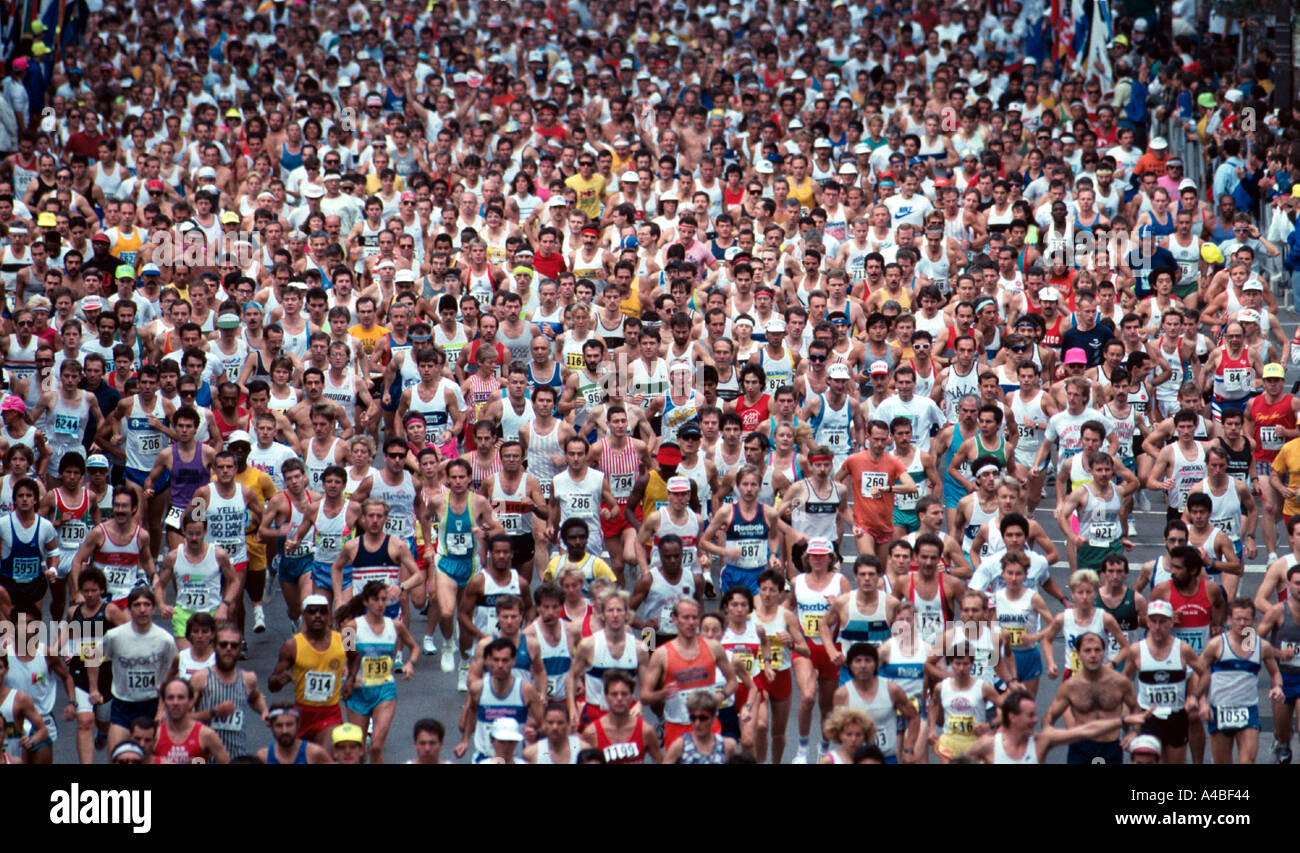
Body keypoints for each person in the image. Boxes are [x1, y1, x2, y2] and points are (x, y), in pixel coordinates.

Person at [1115, 598, 1209, 765]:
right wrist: (1128, 711)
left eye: (1162, 621)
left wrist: (1195, 696)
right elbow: (1124, 682)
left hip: (1176, 716)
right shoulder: (1137, 650)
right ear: (1148, 622)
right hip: (1148, 717)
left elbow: (1205, 673)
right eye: (1153, 621)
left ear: (1171, 622)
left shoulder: (1182, 649)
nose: (1157, 626)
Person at [336, 580, 418, 764]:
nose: (381, 604)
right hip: (358, 692)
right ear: (366, 602)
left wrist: (410, 663)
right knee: (359, 751)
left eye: (384, 599)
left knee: (376, 747)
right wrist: (347, 675)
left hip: (384, 690)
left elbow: (414, 647)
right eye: (376, 600)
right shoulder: (351, 627)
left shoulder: (395, 626)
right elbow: (342, 656)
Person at [1195, 598, 1286, 764]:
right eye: (1237, 619)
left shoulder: (1261, 646)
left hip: (1247, 711)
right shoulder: (1216, 645)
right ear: (1229, 619)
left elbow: (1275, 673)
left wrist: (1278, 687)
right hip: (1219, 710)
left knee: (1247, 761)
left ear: (1254, 620)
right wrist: (1202, 702)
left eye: (1246, 619)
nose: (1242, 623)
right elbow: (1199, 674)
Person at [87, 587, 176, 752]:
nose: (142, 609)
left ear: (153, 608)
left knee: (151, 756)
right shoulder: (115, 636)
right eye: (137, 605)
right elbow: (92, 656)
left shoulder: (165, 640)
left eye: (147, 604)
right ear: (129, 609)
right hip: (123, 705)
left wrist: (162, 709)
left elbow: (173, 672)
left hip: (151, 704)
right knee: (117, 755)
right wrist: (94, 688)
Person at [640, 597, 737, 748]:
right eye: (686, 617)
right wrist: (662, 694)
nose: (691, 622)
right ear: (674, 619)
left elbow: (732, 681)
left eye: (694, 617)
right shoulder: (661, 654)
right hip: (677, 728)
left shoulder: (714, 648)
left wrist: (719, 697)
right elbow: (645, 696)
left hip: (709, 724)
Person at [267, 594, 354, 746]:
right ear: (304, 615)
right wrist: (279, 681)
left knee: (325, 756)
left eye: (322, 611)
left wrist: (351, 680)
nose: (317, 616)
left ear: (329, 615)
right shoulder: (291, 645)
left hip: (330, 714)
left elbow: (356, 657)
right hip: (302, 714)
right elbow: (272, 684)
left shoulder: (344, 638)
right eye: (312, 611)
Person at [966, 688, 1127, 764]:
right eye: (1030, 716)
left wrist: (1122, 721)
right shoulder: (988, 745)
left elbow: (1086, 730)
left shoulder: (1042, 741)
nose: (1036, 720)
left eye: (1035, 715)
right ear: (1012, 717)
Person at [455, 636, 544, 763]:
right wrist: (465, 740)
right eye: (496, 660)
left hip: (514, 758)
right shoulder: (478, 688)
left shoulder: (526, 690)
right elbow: (472, 712)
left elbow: (543, 724)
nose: (500, 665)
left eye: (505, 660)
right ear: (487, 661)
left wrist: (535, 733)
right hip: (484, 756)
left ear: (513, 661)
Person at [190, 623, 268, 761]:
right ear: (214, 646)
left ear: (240, 649)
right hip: (206, 756)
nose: (228, 649)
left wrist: (264, 711)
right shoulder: (201, 679)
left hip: (237, 756)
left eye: (234, 645)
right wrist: (214, 713)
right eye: (223, 644)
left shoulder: (248, 679)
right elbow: (184, 718)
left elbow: (255, 697)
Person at [832, 642, 921, 763]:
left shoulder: (892, 690)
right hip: (856, 758)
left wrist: (909, 749)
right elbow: (836, 729)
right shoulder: (842, 694)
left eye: (868, 660)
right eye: (858, 661)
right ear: (850, 665)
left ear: (876, 664)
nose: (863, 665)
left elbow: (914, 716)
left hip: (887, 757)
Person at [929, 652, 1000, 763]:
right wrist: (932, 728)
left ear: (972, 664)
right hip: (950, 740)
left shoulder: (982, 687)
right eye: (958, 664)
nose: (961, 668)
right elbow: (933, 703)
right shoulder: (941, 687)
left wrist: (990, 725)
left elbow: (1006, 709)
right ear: (951, 663)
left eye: (965, 664)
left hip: (974, 741)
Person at [581, 669, 662, 764]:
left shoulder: (646, 731)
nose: (619, 698)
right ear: (606, 697)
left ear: (632, 697)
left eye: (624, 694)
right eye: (614, 694)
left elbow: (660, 760)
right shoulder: (591, 733)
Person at [152, 677, 230, 764]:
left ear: (190, 701)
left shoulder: (206, 734)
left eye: (181, 697)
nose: (175, 703)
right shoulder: (156, 735)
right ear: (165, 702)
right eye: (170, 698)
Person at [664, 690, 739, 764]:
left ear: (713, 718)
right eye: (693, 718)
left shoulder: (728, 746)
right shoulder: (680, 746)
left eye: (703, 718)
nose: (697, 723)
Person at [256, 705, 334, 764]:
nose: (284, 731)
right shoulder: (263, 757)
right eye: (279, 725)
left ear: (298, 725)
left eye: (289, 725)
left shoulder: (315, 753)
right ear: (271, 726)